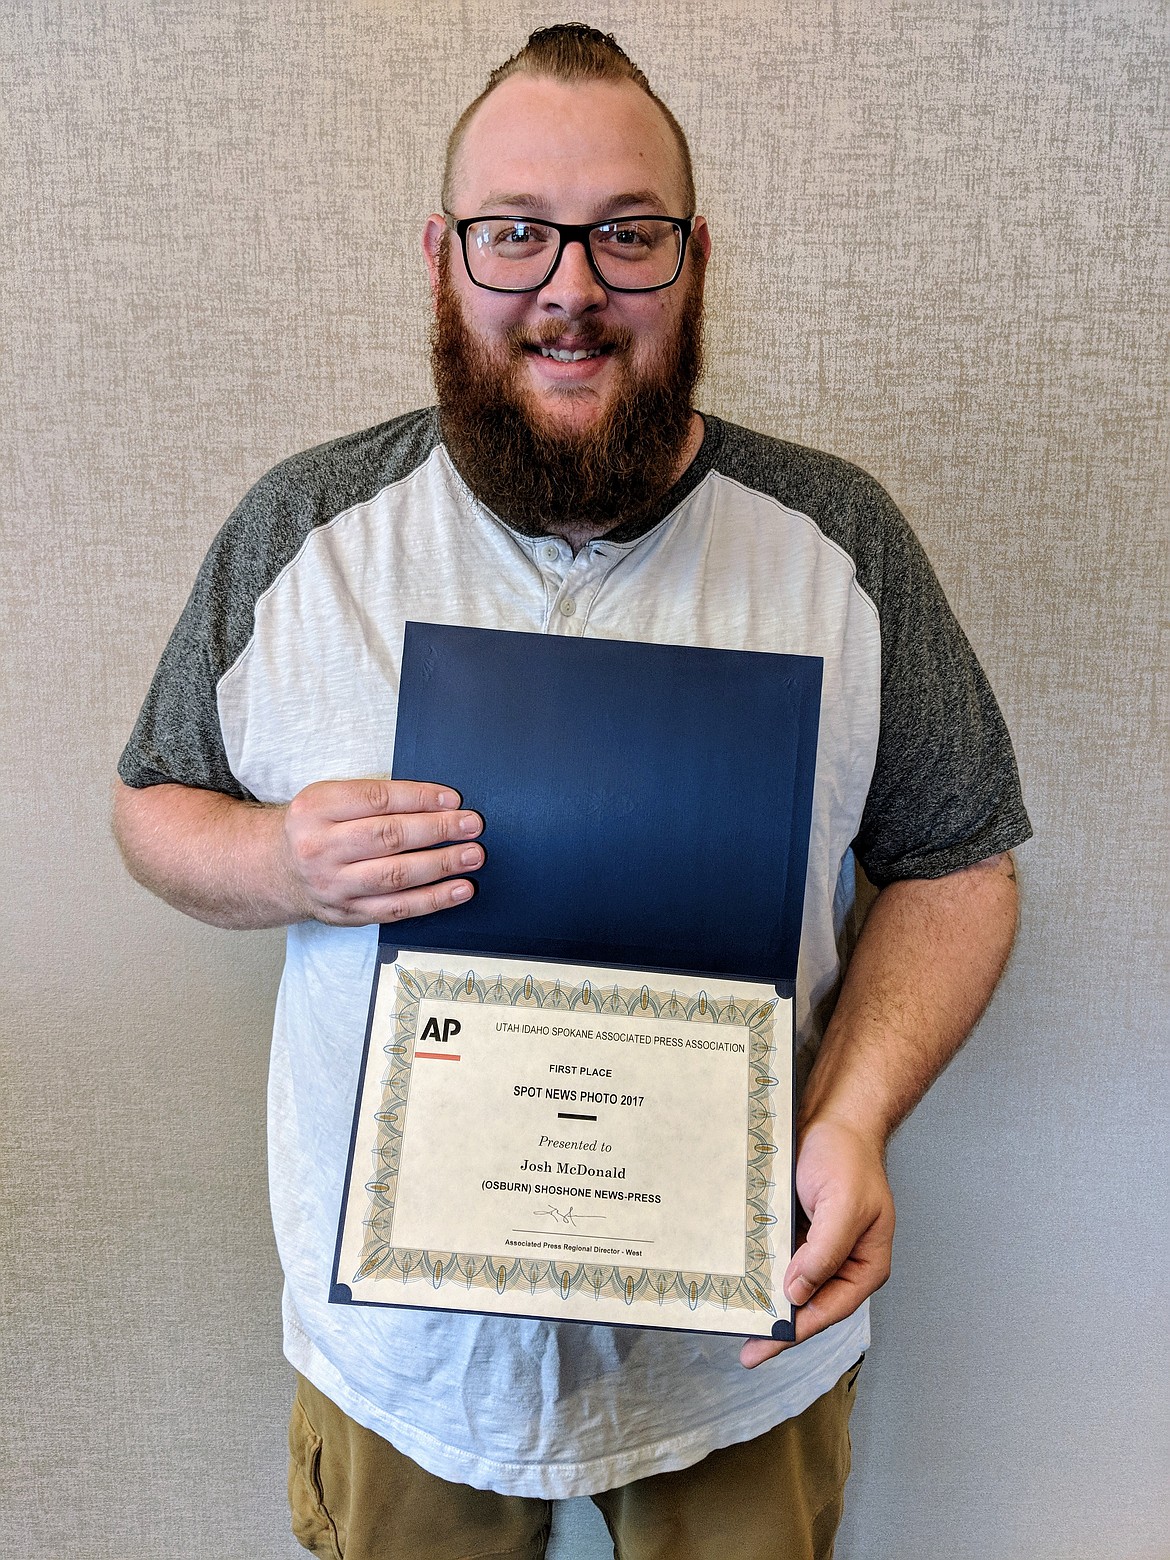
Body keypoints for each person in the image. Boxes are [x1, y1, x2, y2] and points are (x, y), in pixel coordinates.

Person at [113, 24, 1030, 1560]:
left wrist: (857, 1115)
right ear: (441, 254)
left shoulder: (835, 543)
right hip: (404, 1366)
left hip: (735, 1349)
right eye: (515, 232)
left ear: (693, 257)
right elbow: (154, 803)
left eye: (627, 235)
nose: (570, 287)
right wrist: (281, 861)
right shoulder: (305, 529)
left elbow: (958, 861)